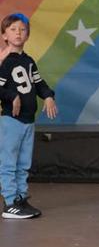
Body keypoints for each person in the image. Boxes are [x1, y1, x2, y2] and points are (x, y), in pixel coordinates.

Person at [0, 13, 58, 219]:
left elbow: (38, 83)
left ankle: (21, 198)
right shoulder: (4, 62)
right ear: (4, 35)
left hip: (28, 120)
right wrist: (12, 96)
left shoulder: (28, 61)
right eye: (13, 29)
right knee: (9, 162)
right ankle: (10, 202)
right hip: (11, 120)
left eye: (22, 29)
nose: (18, 33)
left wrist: (48, 96)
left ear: (28, 35)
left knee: (23, 163)